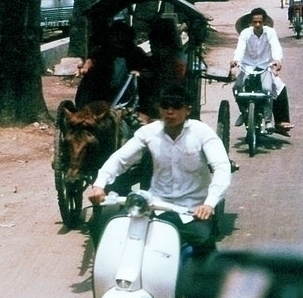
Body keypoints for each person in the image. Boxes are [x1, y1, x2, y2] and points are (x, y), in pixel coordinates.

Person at [87, 84, 231, 260]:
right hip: (154, 206)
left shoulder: (202, 132)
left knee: (204, 249)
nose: (170, 112)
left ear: (188, 110)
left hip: (192, 211)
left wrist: (209, 204)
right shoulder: (149, 132)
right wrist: (99, 185)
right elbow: (120, 159)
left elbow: (222, 168)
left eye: (176, 107)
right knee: (102, 225)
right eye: (165, 106)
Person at [230, 7, 291, 136]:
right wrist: (235, 60)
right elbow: (240, 49)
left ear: (264, 22)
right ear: (251, 23)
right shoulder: (245, 33)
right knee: (236, 87)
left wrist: (277, 61)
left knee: (269, 88)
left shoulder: (270, 33)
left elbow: (276, 47)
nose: (258, 25)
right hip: (247, 67)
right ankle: (244, 112)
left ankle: (269, 120)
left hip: (264, 67)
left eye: (260, 22)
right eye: (255, 22)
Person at [76, 21, 150, 109]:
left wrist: (139, 73)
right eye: (115, 36)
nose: (118, 39)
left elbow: (148, 68)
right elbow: (91, 61)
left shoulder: (136, 53)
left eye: (122, 36)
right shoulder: (101, 53)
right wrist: (86, 67)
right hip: (100, 95)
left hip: (126, 96)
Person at [138, 17, 188, 122]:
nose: (151, 46)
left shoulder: (176, 61)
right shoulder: (154, 59)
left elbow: (173, 83)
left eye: (154, 43)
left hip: (168, 99)